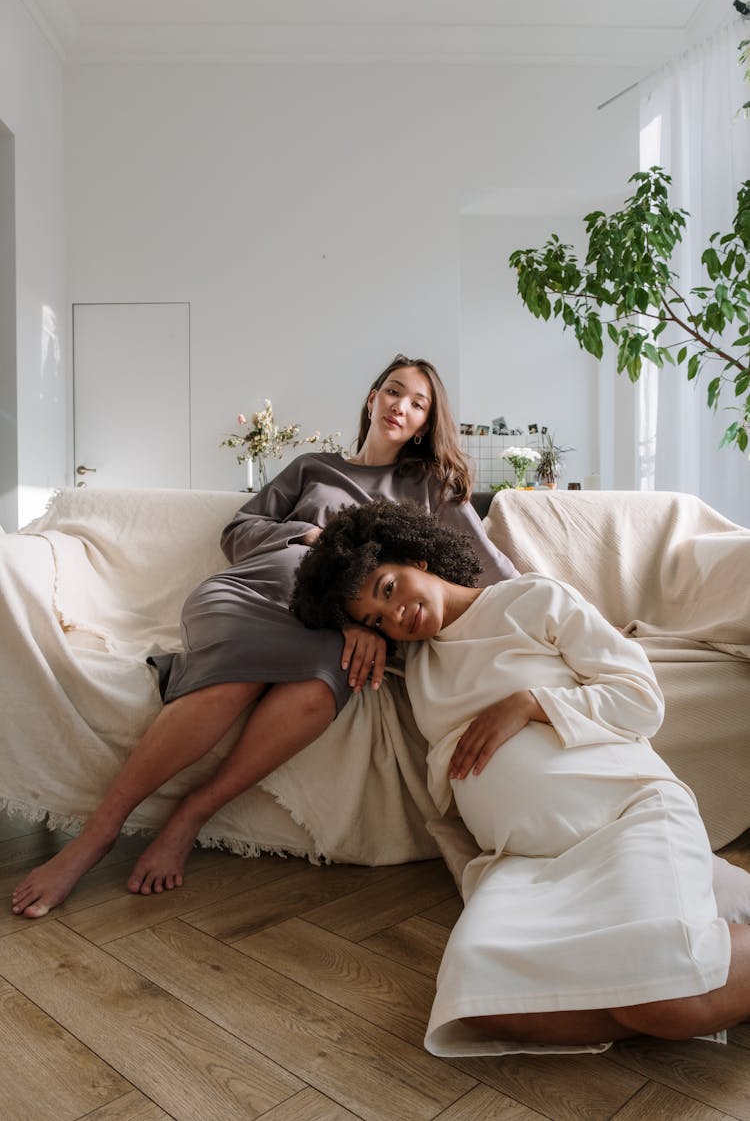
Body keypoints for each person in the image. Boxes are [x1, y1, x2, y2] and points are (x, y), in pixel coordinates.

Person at [11, 354, 517, 919]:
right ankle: (97, 835)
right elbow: (239, 530)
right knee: (237, 680)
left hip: (331, 627)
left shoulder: (427, 487)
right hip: (248, 593)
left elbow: (490, 569)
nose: (402, 406)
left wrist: (565, 614)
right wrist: (309, 535)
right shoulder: (312, 467)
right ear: (371, 398)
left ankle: (191, 815)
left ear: (425, 423)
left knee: (325, 683)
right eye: (394, 392)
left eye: (418, 403)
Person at [290, 500, 750, 1055]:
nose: (396, 617)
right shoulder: (415, 664)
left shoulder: (533, 599)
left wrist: (531, 703)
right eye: (376, 620)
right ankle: (675, 966)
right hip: (527, 864)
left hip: (626, 819)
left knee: (666, 999)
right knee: (482, 1006)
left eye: (388, 589)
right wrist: (349, 628)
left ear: (414, 556)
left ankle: (667, 987)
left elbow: (641, 700)